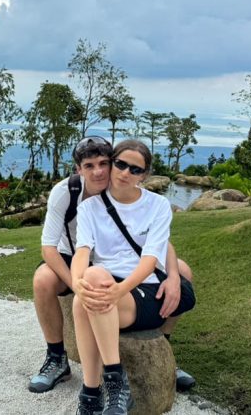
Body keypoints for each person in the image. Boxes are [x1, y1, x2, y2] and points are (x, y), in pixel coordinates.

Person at [28, 137, 196, 395]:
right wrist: (77, 284)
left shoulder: (122, 182)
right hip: (74, 255)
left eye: (104, 163)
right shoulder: (68, 193)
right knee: (43, 280)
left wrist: (172, 275)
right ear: (78, 169)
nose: (98, 171)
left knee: (182, 271)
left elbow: (154, 241)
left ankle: (163, 348)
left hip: (120, 260)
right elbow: (49, 247)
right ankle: (56, 357)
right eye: (89, 165)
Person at [71, 140, 196, 414]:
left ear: (145, 175)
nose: (126, 172)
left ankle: (107, 385)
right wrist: (76, 282)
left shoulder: (158, 205)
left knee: (91, 287)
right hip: (107, 284)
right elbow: (82, 251)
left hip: (146, 290)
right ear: (113, 162)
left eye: (135, 169)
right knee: (85, 291)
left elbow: (151, 259)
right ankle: (95, 392)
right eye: (121, 164)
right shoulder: (90, 208)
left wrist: (119, 290)